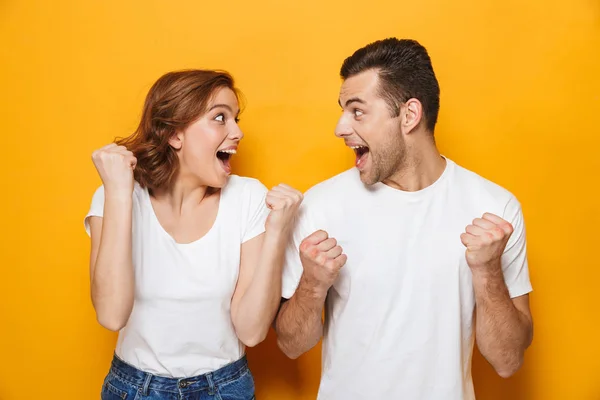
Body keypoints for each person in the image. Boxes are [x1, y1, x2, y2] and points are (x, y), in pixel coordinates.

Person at [275, 38, 534, 400]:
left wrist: (488, 271)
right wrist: (312, 286)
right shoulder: (319, 206)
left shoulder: (494, 208)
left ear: (409, 115)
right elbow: (290, 345)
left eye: (357, 111)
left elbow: (508, 361)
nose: (340, 128)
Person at [84, 69, 302, 400]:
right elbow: (112, 315)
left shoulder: (247, 198)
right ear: (174, 135)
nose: (238, 132)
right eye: (220, 118)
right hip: (134, 389)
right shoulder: (118, 196)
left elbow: (252, 330)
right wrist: (117, 193)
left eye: (235, 119)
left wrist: (277, 233)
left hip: (225, 388)